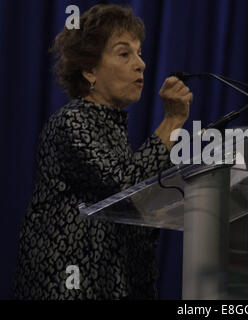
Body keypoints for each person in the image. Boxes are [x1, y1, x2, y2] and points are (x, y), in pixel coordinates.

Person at [13, 4, 192, 299]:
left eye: (139, 52)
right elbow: (125, 188)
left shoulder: (111, 128)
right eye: (125, 53)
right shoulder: (73, 121)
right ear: (89, 70)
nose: (141, 64)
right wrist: (172, 121)